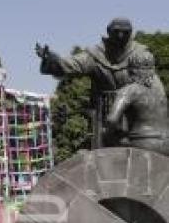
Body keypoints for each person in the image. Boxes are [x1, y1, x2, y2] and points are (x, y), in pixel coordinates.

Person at [36, 17, 150, 149]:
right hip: (104, 114)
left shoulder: (140, 53)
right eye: (117, 31)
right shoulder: (96, 55)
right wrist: (51, 59)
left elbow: (149, 87)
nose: (120, 36)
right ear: (108, 32)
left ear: (131, 33)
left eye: (125, 32)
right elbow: (72, 64)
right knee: (103, 158)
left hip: (134, 114)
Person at [105, 49, 169, 155]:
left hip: (143, 144)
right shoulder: (160, 95)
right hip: (166, 144)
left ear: (131, 71)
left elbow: (111, 120)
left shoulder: (130, 90)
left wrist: (110, 135)